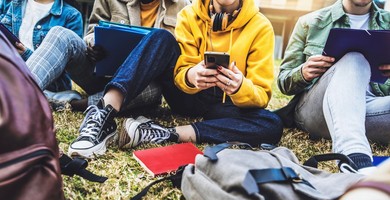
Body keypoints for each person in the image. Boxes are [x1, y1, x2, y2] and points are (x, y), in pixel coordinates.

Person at [67, 0, 283, 158]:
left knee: (271, 124)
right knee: (161, 37)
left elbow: (261, 95)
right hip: (186, 97)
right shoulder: (189, 14)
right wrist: (191, 76)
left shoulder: (261, 27)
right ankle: (103, 114)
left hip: (225, 106)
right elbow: (180, 71)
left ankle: (163, 133)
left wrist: (239, 87)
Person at [277, 0, 390, 174]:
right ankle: (355, 158)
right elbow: (283, 82)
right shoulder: (310, 22)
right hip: (316, 109)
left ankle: (350, 130)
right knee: (354, 58)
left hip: (371, 105)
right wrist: (303, 72)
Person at [22, 0, 189, 111]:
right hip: (100, 71)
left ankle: (73, 105)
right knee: (60, 34)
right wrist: (93, 42)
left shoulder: (182, 6)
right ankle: (16, 94)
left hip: (138, 86)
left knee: (155, 91)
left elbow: (182, 57)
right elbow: (92, 29)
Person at [0, 0, 83, 93]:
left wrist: (25, 54)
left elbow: (62, 68)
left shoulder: (71, 15)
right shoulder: (9, 3)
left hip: (49, 86)